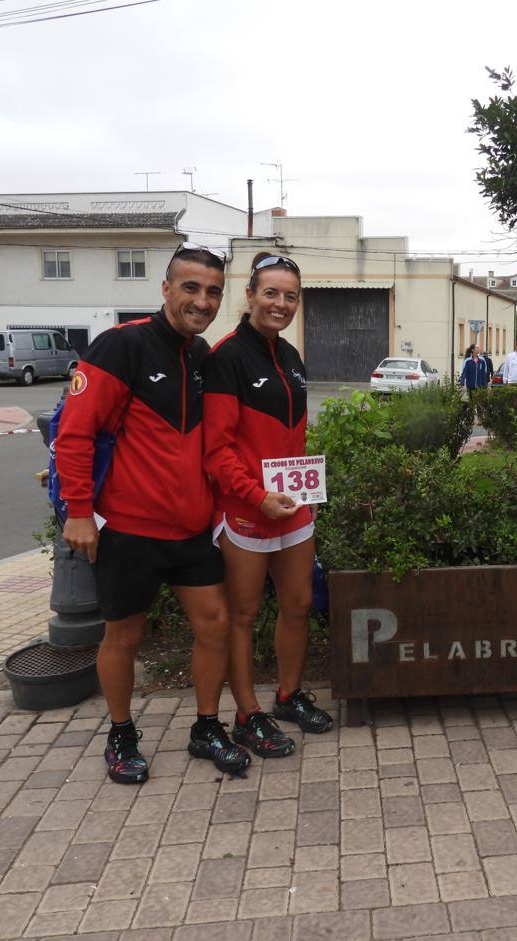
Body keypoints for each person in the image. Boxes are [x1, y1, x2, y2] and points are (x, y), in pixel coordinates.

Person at [56, 244, 250, 784]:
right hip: (130, 530)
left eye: (212, 291)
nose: (202, 300)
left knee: (213, 626)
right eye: (191, 287)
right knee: (123, 638)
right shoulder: (122, 346)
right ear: (165, 289)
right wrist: (78, 511)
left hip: (191, 531)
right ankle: (120, 734)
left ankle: (206, 727)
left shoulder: (203, 357)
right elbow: (74, 432)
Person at [204, 251, 333, 754]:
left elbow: (294, 437)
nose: (281, 304)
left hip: (292, 508)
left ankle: (287, 696)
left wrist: (306, 491)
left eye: (291, 296)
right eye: (271, 293)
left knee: (298, 605)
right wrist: (257, 496)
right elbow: (217, 450)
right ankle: (246, 714)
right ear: (251, 295)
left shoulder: (291, 356)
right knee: (244, 614)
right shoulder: (226, 357)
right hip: (244, 509)